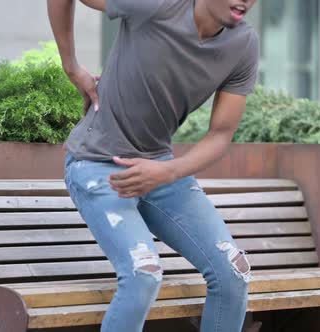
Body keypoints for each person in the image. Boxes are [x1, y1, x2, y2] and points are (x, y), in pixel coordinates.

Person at [47, 0, 259, 331]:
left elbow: (220, 134)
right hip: (96, 164)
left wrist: (167, 172)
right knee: (143, 275)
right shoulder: (157, 5)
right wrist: (71, 66)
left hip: (160, 169)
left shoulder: (243, 44)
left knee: (233, 272)